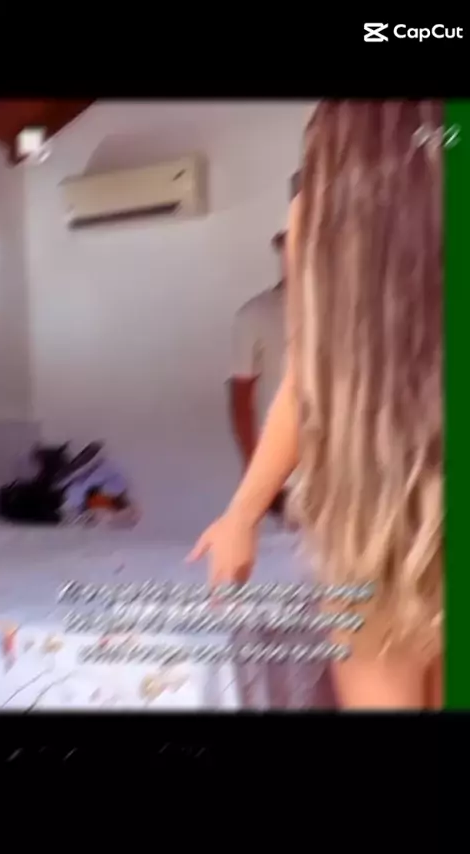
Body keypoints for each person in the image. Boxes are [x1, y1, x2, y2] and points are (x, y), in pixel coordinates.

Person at [188, 101, 443, 710]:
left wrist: (243, 516)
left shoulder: (317, 215)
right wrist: (244, 514)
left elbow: (306, 377)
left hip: (370, 513)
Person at [228, 231, 288, 517]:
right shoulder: (254, 315)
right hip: (285, 470)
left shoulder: (347, 312)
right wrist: (256, 470)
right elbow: (242, 398)